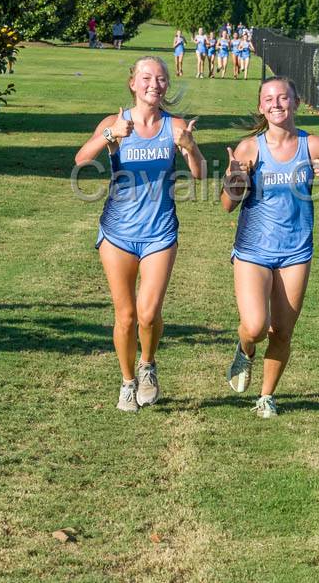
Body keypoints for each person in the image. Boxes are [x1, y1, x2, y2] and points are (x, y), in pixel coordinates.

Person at [220, 76, 319, 417]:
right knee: (255, 325)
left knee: (282, 330)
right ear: (261, 107)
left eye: (283, 98)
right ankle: (245, 347)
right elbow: (227, 205)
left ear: (296, 103)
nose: (277, 104)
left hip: (296, 250)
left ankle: (266, 396)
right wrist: (236, 180)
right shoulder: (249, 148)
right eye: (269, 99)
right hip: (253, 249)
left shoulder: (313, 145)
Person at [74, 57, 205, 412]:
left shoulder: (175, 125)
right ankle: (128, 382)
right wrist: (109, 136)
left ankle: (148, 365)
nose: (154, 84)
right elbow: (81, 159)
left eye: (161, 79)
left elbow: (200, 174)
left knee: (148, 314)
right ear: (133, 83)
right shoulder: (116, 122)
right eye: (147, 77)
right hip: (117, 233)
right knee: (126, 316)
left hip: (160, 232)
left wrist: (190, 146)